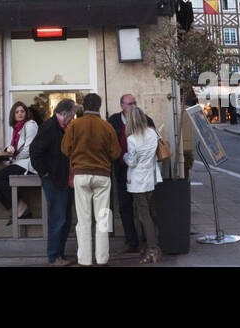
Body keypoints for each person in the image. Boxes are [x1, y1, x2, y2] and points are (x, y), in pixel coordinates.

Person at [61, 92, 121, 267]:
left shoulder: (74, 125)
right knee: (103, 219)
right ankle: (102, 260)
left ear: (84, 106)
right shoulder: (107, 127)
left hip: (81, 174)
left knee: (84, 220)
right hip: (102, 175)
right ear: (99, 107)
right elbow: (116, 153)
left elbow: (65, 149)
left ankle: (84, 261)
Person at [107, 93, 155, 257]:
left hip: (141, 174)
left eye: (134, 103)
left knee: (144, 211)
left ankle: (147, 244)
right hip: (122, 173)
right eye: (129, 103)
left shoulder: (146, 120)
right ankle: (132, 242)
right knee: (125, 207)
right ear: (122, 105)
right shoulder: (113, 121)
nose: (133, 106)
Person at [30, 98, 76, 266]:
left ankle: (60, 255)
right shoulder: (49, 127)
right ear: (64, 113)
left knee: (65, 220)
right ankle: (54, 257)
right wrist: (45, 173)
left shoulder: (64, 127)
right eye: (72, 114)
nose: (73, 117)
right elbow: (34, 152)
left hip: (66, 180)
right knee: (58, 219)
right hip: (55, 180)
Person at [122, 104, 163, 264]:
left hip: (138, 181)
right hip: (151, 178)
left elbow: (131, 162)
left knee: (143, 215)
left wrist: (125, 156)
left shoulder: (132, 139)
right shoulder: (152, 133)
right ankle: (151, 246)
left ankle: (153, 248)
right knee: (150, 214)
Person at [0, 101, 38, 223]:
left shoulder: (30, 125)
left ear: (26, 113)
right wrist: (7, 149)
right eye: (17, 112)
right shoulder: (16, 128)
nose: (20, 114)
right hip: (20, 162)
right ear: (13, 114)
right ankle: (20, 206)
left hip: (29, 164)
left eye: (22, 111)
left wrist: (13, 159)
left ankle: (21, 207)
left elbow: (28, 150)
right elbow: (13, 146)